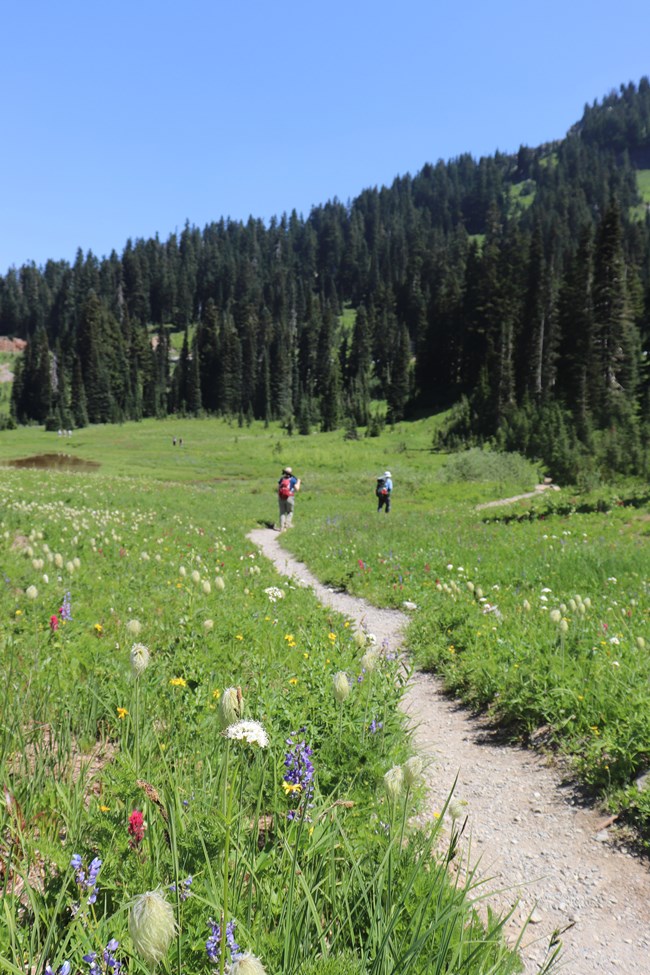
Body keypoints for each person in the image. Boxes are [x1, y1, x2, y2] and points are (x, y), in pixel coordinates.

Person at [277, 466, 301, 531]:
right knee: (290, 512)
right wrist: (298, 481)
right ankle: (287, 525)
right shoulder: (293, 479)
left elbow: (278, 487)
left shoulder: (282, 479)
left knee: (282, 512)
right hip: (289, 497)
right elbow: (297, 489)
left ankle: (281, 527)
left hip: (281, 497)